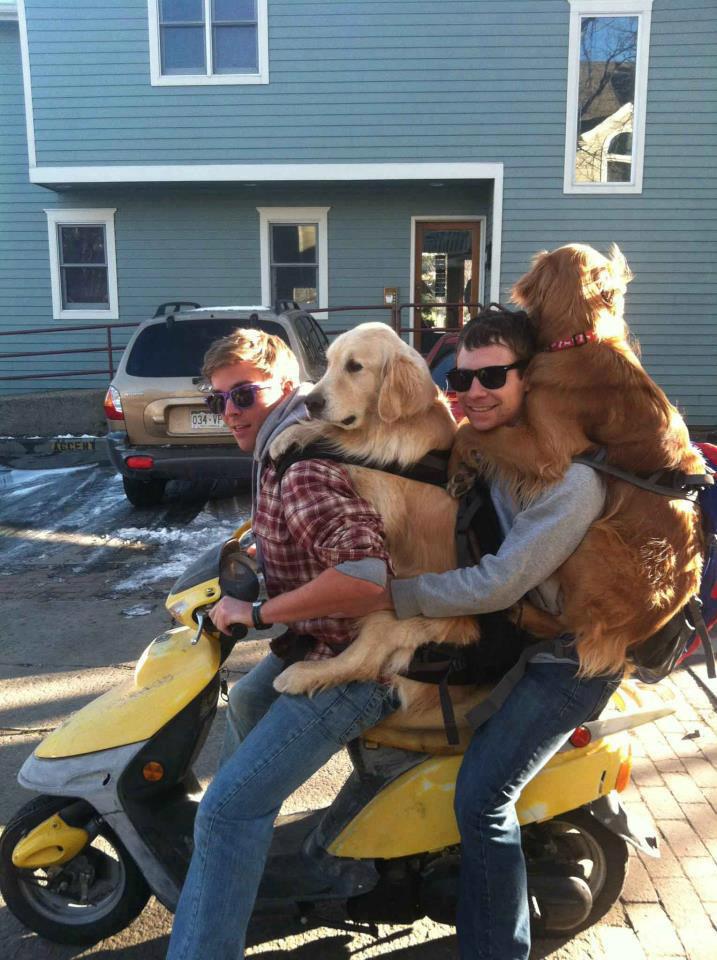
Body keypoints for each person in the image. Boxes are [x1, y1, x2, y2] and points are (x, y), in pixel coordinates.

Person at [356, 304, 622, 960]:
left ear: (530, 379)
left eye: (492, 376)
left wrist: (394, 596)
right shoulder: (491, 445)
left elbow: (501, 581)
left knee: (480, 799)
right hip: (520, 637)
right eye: (460, 377)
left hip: (571, 662)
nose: (472, 391)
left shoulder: (572, 478)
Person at [165, 328, 400, 960]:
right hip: (318, 644)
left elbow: (366, 578)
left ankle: (228, 846)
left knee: (226, 812)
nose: (230, 410)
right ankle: (233, 854)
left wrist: (259, 609)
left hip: (359, 666)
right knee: (246, 700)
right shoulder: (280, 445)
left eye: (244, 393)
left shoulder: (302, 464)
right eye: (219, 399)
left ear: (289, 386)